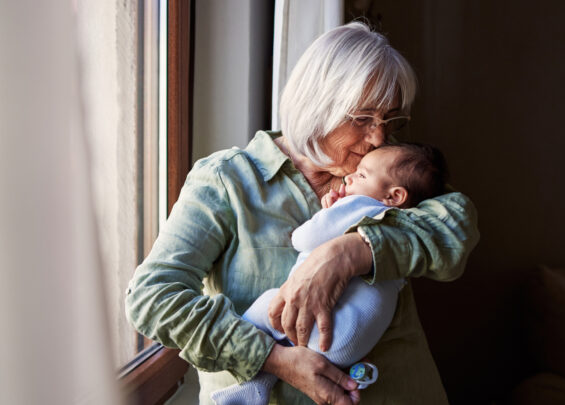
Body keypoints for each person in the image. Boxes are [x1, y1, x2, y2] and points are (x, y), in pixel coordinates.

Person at [125, 22, 479, 405]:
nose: (379, 137)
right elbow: (152, 298)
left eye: (388, 119)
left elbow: (456, 226)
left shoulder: (387, 170)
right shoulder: (228, 182)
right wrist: (271, 358)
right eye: (362, 118)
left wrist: (350, 252)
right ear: (317, 103)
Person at [212, 143, 449, 404]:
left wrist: (329, 213)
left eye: (361, 175)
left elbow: (305, 238)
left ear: (394, 196)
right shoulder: (402, 218)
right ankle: (257, 389)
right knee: (291, 345)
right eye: (362, 117)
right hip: (353, 344)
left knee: (271, 305)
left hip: (330, 330)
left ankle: (249, 389)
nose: (350, 177)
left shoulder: (360, 205)